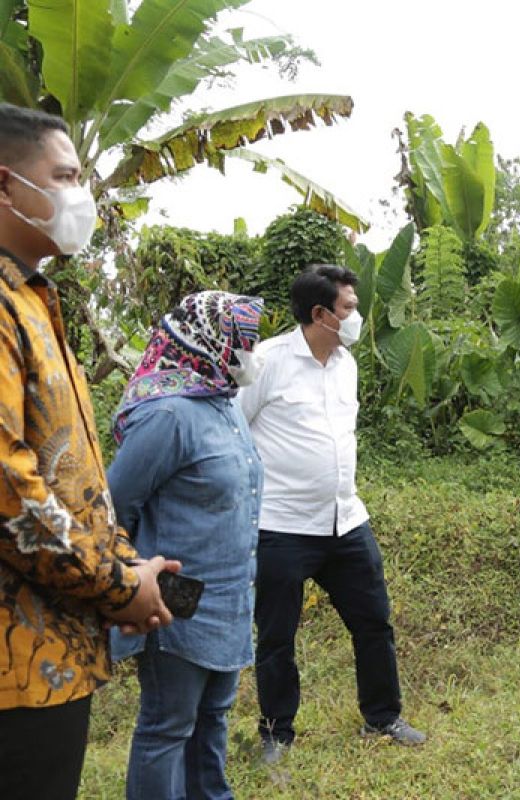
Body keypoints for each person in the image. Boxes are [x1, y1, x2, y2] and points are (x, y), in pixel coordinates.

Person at [0, 103, 177, 800]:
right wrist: (116, 585)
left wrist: (126, 565)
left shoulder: (34, 300)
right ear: (7, 185)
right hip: (16, 667)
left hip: (54, 653)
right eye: (66, 176)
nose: (81, 196)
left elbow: (73, 475)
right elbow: (9, 487)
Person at [236, 265, 424, 764]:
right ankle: (277, 732)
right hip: (281, 525)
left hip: (345, 520)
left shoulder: (347, 364)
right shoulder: (268, 361)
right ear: (319, 313)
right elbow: (232, 431)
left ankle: (382, 716)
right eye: (348, 308)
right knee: (277, 636)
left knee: (374, 621)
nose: (357, 316)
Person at [107, 291, 265, 799]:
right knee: (168, 726)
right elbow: (112, 507)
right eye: (243, 344)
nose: (251, 354)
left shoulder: (223, 404)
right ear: (210, 343)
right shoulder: (170, 416)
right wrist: (135, 580)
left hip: (230, 600)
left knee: (212, 721)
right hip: (177, 602)